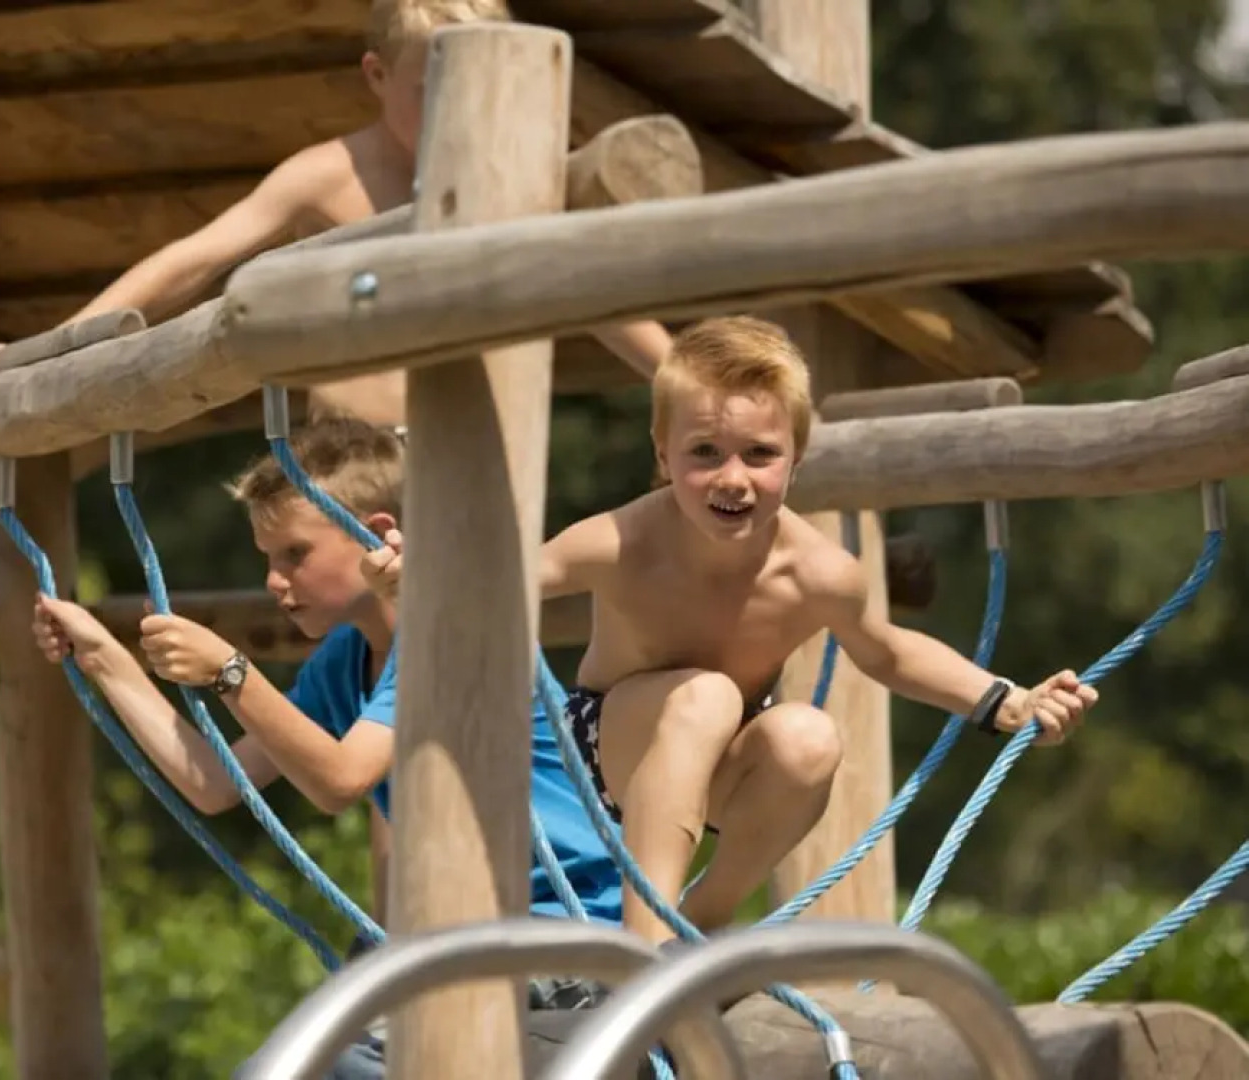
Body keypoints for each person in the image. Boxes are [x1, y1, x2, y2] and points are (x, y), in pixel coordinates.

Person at [362, 314, 1101, 945]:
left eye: (760, 454)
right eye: (704, 454)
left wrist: (1005, 700)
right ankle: (643, 946)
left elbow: (888, 651)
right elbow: (500, 577)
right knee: (707, 696)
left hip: (724, 766)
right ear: (663, 457)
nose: (733, 478)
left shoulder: (818, 572)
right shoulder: (619, 541)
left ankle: (706, 918)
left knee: (809, 737)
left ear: (797, 459)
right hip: (605, 750)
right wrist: (418, 569)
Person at [28, 418, 624, 1076]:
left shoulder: (451, 630)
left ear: (374, 531)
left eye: (294, 554)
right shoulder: (347, 659)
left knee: (338, 1066)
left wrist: (231, 672)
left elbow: (341, 781)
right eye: (266, 559)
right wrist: (105, 659)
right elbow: (216, 782)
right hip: (462, 939)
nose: (274, 582)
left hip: (560, 934)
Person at [0, 0, 673, 425]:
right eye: (434, 89)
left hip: (483, 457)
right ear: (377, 76)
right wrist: (39, 353)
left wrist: (698, 396)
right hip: (354, 464)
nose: (460, 116)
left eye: (485, 91)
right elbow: (192, 261)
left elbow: (606, 305)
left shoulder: (521, 183)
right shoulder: (330, 177)